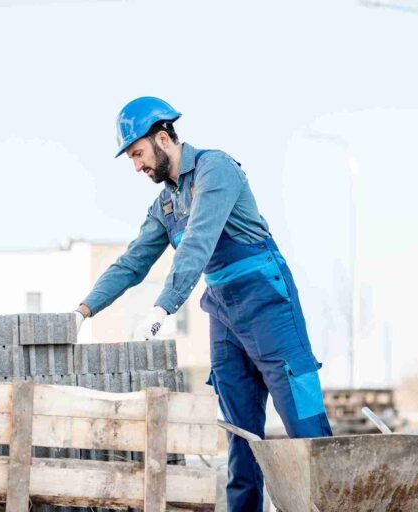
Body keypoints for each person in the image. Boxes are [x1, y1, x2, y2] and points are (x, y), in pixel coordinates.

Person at [73, 96, 333, 511]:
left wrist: (163, 307)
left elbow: (199, 240)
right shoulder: (166, 204)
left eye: (138, 154)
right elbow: (133, 261)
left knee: (304, 427)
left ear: (163, 138)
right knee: (240, 436)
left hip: (268, 303)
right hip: (224, 313)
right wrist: (82, 311)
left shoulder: (217, 170)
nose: (137, 166)